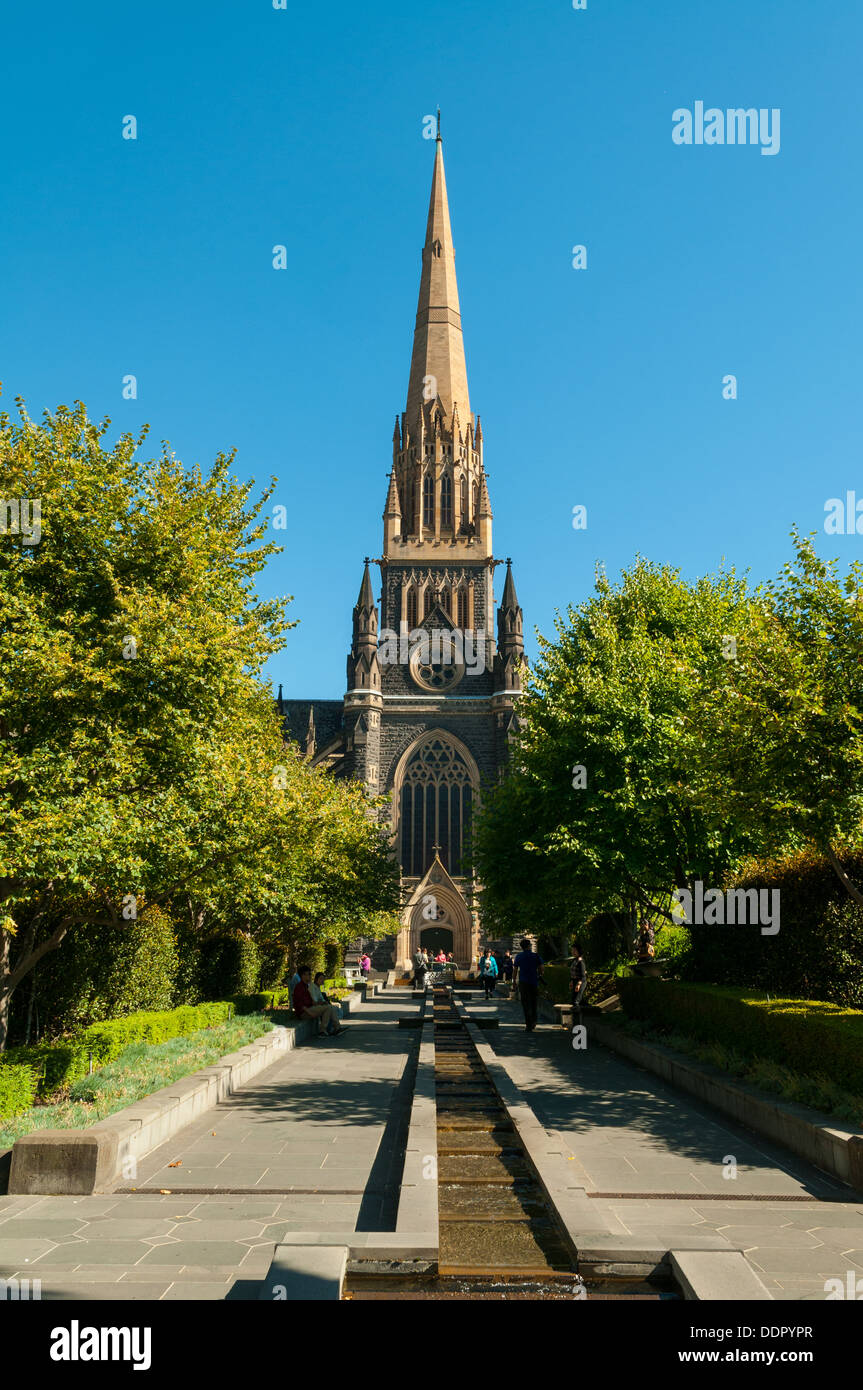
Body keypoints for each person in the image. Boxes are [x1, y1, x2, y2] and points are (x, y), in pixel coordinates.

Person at [293, 966, 345, 1038]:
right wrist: (308, 1011)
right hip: (304, 1012)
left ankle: (336, 1028)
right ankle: (323, 1031)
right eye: (308, 974)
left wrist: (317, 1004)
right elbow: (298, 1003)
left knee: (329, 1007)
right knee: (328, 1008)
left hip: (311, 1008)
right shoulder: (299, 987)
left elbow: (311, 1000)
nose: (310, 976)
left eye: (310, 974)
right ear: (303, 975)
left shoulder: (306, 986)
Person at [513, 938, 544, 1032]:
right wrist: (539, 974)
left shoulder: (519, 956)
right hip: (533, 981)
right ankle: (534, 1021)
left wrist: (514, 981)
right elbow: (542, 968)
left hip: (523, 982)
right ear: (529, 946)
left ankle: (528, 1024)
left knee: (525, 1003)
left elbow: (515, 970)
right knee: (534, 1002)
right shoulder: (536, 956)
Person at [570, 943, 587, 1019]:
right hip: (574, 981)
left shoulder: (580, 961)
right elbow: (573, 972)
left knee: (576, 1001)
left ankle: (578, 1023)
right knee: (575, 1000)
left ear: (579, 951)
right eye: (572, 950)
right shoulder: (574, 960)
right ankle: (578, 1021)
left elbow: (583, 974)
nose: (573, 952)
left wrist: (579, 984)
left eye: (575, 950)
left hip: (580, 982)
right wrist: (571, 981)